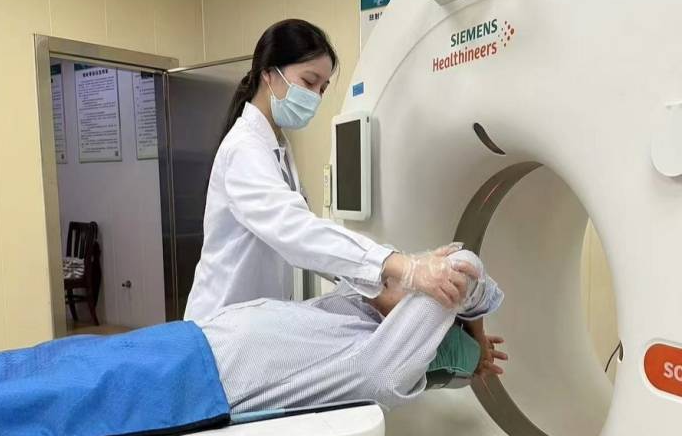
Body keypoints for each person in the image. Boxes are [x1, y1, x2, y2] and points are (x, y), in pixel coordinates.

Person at [184, 19, 477, 322]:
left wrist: (384, 279)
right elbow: (295, 230)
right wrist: (402, 266)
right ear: (269, 73)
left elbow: (309, 242)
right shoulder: (244, 148)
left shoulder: (277, 148)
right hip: (219, 322)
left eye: (322, 88)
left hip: (250, 323)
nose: (315, 97)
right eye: (309, 81)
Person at [199, 249, 505, 414]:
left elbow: (463, 267)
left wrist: (476, 342)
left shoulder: (370, 361)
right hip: (206, 341)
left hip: (209, 363)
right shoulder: (351, 304)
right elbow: (461, 268)